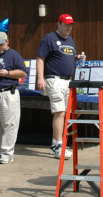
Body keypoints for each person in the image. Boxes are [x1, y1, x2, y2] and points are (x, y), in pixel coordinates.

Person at [36, 14, 86, 159]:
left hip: (67, 81)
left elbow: (67, 57)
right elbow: (40, 58)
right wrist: (40, 78)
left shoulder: (70, 40)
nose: (69, 27)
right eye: (66, 24)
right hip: (54, 79)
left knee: (63, 112)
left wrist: (77, 58)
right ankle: (58, 145)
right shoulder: (49, 38)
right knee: (59, 113)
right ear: (58, 24)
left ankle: (56, 144)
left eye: (71, 25)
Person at [0, 31, 27, 164]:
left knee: (9, 125)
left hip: (7, 93)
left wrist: (8, 73)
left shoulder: (13, 54)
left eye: (1, 44)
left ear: (7, 42)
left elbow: (23, 72)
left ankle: (7, 154)